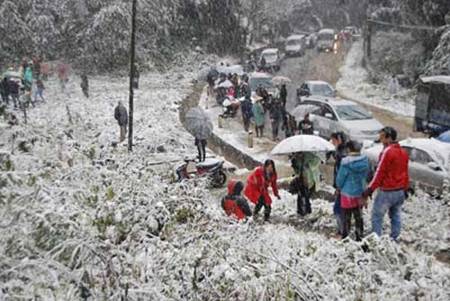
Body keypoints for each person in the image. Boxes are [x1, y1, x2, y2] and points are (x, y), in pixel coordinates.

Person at [363, 127, 409, 241]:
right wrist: (405, 188)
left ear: (388, 138)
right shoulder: (403, 152)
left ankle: (376, 242)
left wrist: (370, 189)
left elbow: (380, 172)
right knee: (396, 215)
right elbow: (405, 172)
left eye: (382, 137)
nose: (380, 139)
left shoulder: (387, 151)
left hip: (387, 191)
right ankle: (395, 239)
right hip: (400, 191)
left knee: (377, 216)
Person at [336, 140, 370, 241]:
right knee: (358, 215)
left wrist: (338, 187)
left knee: (346, 216)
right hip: (360, 192)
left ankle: (345, 237)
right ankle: (359, 236)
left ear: (349, 149)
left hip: (347, 193)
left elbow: (340, 179)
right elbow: (368, 175)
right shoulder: (365, 161)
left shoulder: (346, 162)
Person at [330, 132, 347, 235]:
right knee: (342, 209)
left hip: (343, 187)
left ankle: (342, 232)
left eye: (333, 140)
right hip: (345, 187)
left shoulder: (342, 155)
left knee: (338, 209)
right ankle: (342, 231)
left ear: (339, 140)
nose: (332, 142)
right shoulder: (340, 152)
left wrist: (338, 188)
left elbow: (341, 173)